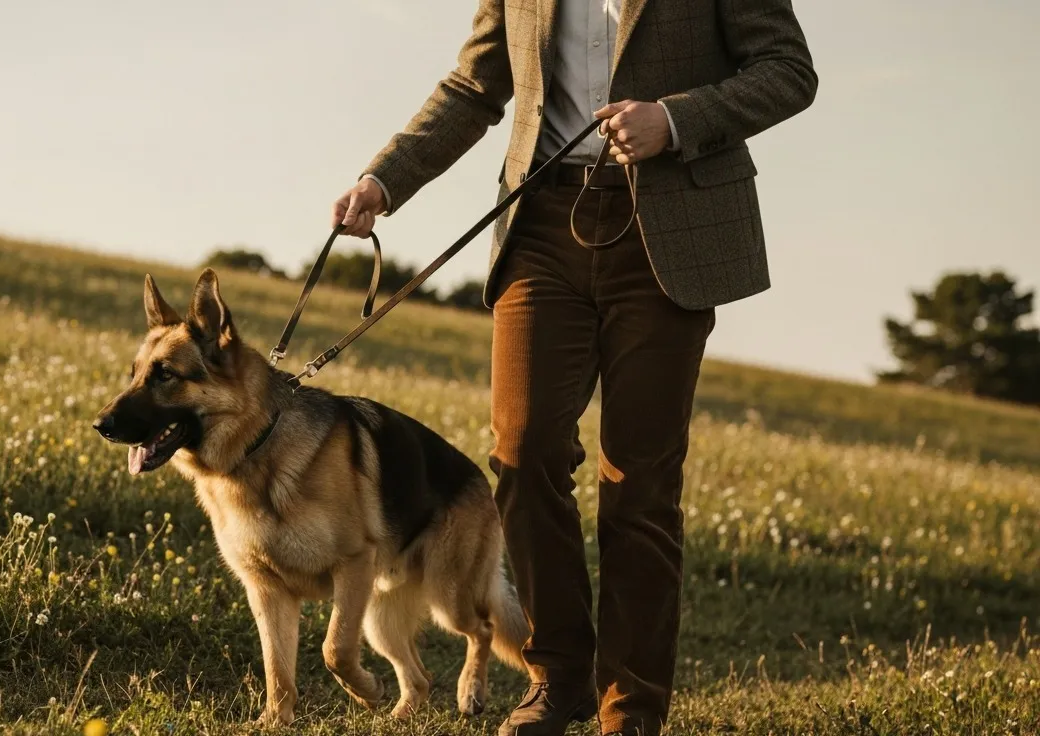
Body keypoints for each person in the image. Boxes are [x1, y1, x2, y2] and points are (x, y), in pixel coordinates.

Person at [331, 1, 817, 734]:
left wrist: (674, 119)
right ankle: (557, 678)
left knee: (640, 484)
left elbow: (788, 72)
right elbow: (474, 86)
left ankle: (633, 708)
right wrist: (385, 179)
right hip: (542, 228)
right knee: (523, 453)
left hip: (671, 234)